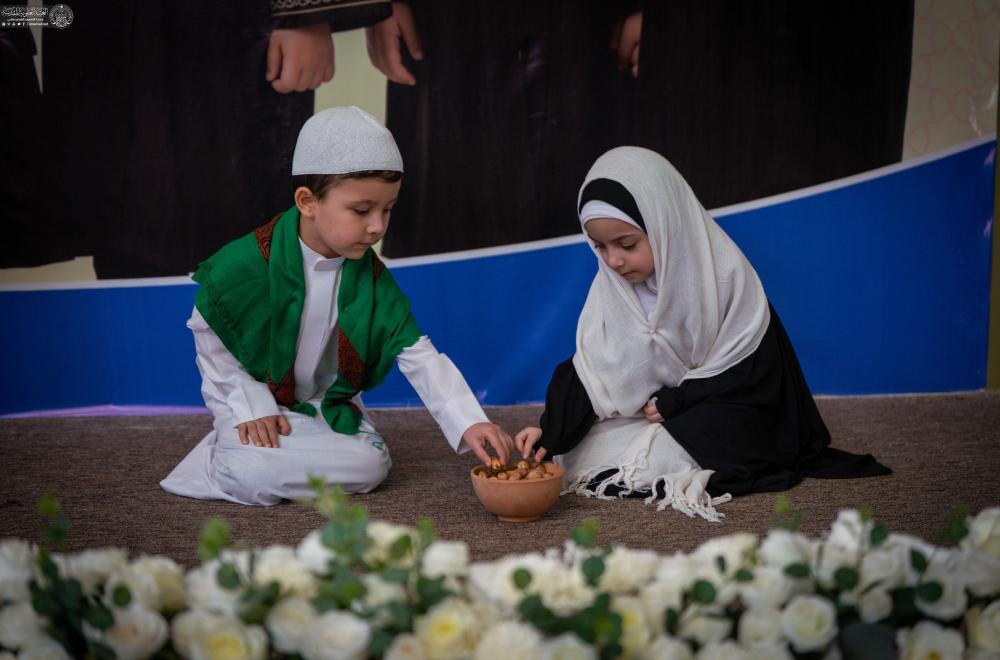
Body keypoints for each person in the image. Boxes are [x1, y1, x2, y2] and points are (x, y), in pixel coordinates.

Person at [514, 146, 890, 521]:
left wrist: (680, 400)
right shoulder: (612, 289)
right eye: (600, 247)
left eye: (627, 244)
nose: (614, 260)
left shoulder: (725, 278)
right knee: (577, 449)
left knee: (724, 436)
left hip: (721, 402)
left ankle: (672, 455)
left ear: (665, 223)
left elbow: (754, 373)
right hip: (653, 410)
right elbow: (595, 371)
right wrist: (550, 433)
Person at [161, 107, 513, 505]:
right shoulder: (246, 263)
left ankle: (280, 454)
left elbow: (416, 351)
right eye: (361, 211)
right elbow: (210, 333)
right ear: (308, 201)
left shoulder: (370, 276)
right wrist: (251, 405)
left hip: (324, 403)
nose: (377, 226)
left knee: (370, 467)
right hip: (253, 400)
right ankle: (227, 458)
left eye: (387, 210)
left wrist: (470, 421)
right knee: (251, 473)